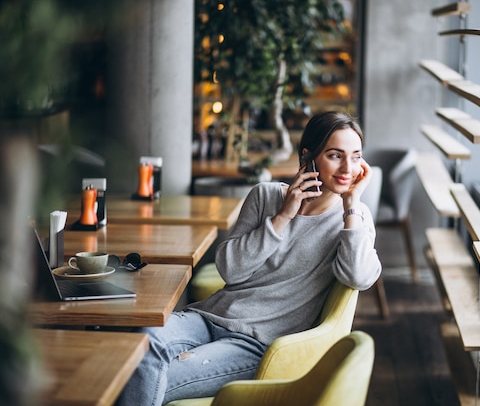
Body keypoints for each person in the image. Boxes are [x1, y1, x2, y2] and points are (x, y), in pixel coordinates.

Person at [116, 111, 382, 406]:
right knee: (142, 340)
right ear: (308, 158)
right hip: (209, 318)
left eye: (356, 157)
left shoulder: (353, 220)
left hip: (255, 345)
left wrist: (352, 204)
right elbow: (229, 269)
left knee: (140, 377)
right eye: (335, 155)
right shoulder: (265, 196)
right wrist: (282, 217)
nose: (348, 167)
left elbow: (358, 276)